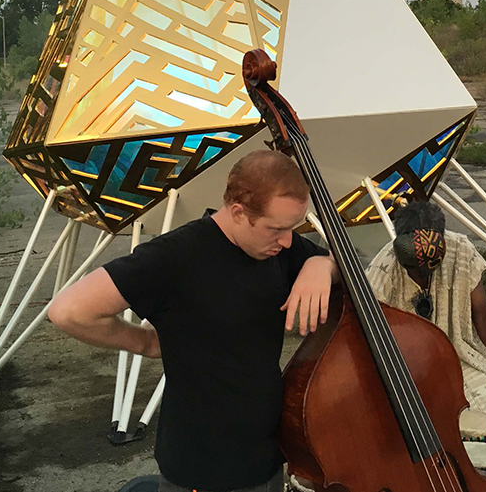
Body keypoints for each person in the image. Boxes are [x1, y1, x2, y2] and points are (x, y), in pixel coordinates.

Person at [48, 150, 339, 492]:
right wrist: (144, 343)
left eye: (293, 228)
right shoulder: (176, 256)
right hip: (202, 468)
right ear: (238, 212)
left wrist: (322, 265)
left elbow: (345, 264)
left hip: (265, 456)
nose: (288, 240)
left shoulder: (277, 249)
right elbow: (68, 310)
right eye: (276, 229)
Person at [365, 200, 486, 440]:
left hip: (459, 356)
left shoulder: (461, 250)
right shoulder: (383, 270)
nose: (423, 274)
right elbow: (369, 336)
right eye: (415, 269)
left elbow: (481, 313)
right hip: (405, 368)